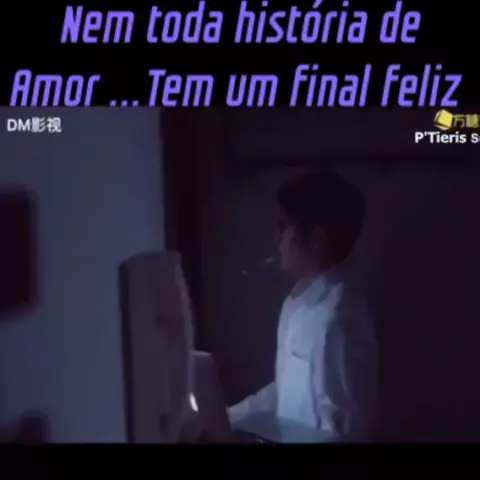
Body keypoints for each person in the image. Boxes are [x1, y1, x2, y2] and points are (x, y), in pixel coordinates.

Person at [228, 172, 377, 441]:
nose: (278, 238)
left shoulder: (338, 318)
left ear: (317, 240)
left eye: (285, 227)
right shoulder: (295, 304)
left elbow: (344, 429)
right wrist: (227, 416)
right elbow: (284, 391)